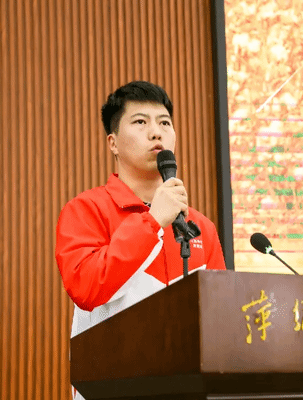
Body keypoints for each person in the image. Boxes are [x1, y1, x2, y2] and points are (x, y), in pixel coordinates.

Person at [55, 80, 227, 343]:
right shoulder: (86, 210)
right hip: (115, 369)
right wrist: (153, 221)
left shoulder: (201, 226)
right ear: (113, 143)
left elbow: (221, 314)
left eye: (164, 123)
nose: (156, 132)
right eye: (140, 122)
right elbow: (85, 289)